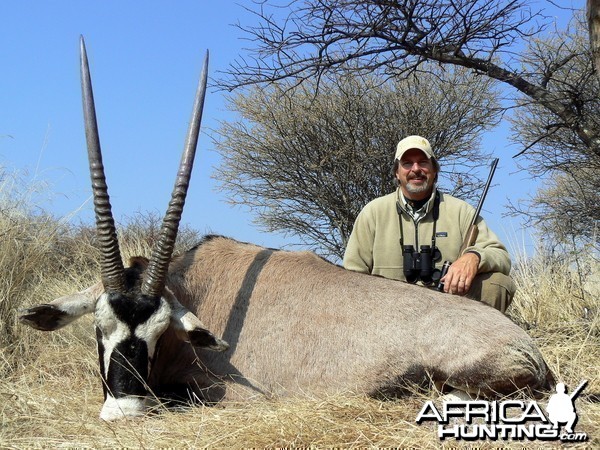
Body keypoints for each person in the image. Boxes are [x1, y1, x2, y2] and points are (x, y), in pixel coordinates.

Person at [343, 135, 516, 313]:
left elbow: (501, 256)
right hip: (387, 312)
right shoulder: (372, 212)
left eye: (423, 162)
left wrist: (474, 258)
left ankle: (479, 340)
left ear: (434, 170)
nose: (416, 169)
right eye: (407, 163)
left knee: (497, 284)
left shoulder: (461, 211)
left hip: (448, 312)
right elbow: (352, 274)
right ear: (397, 172)